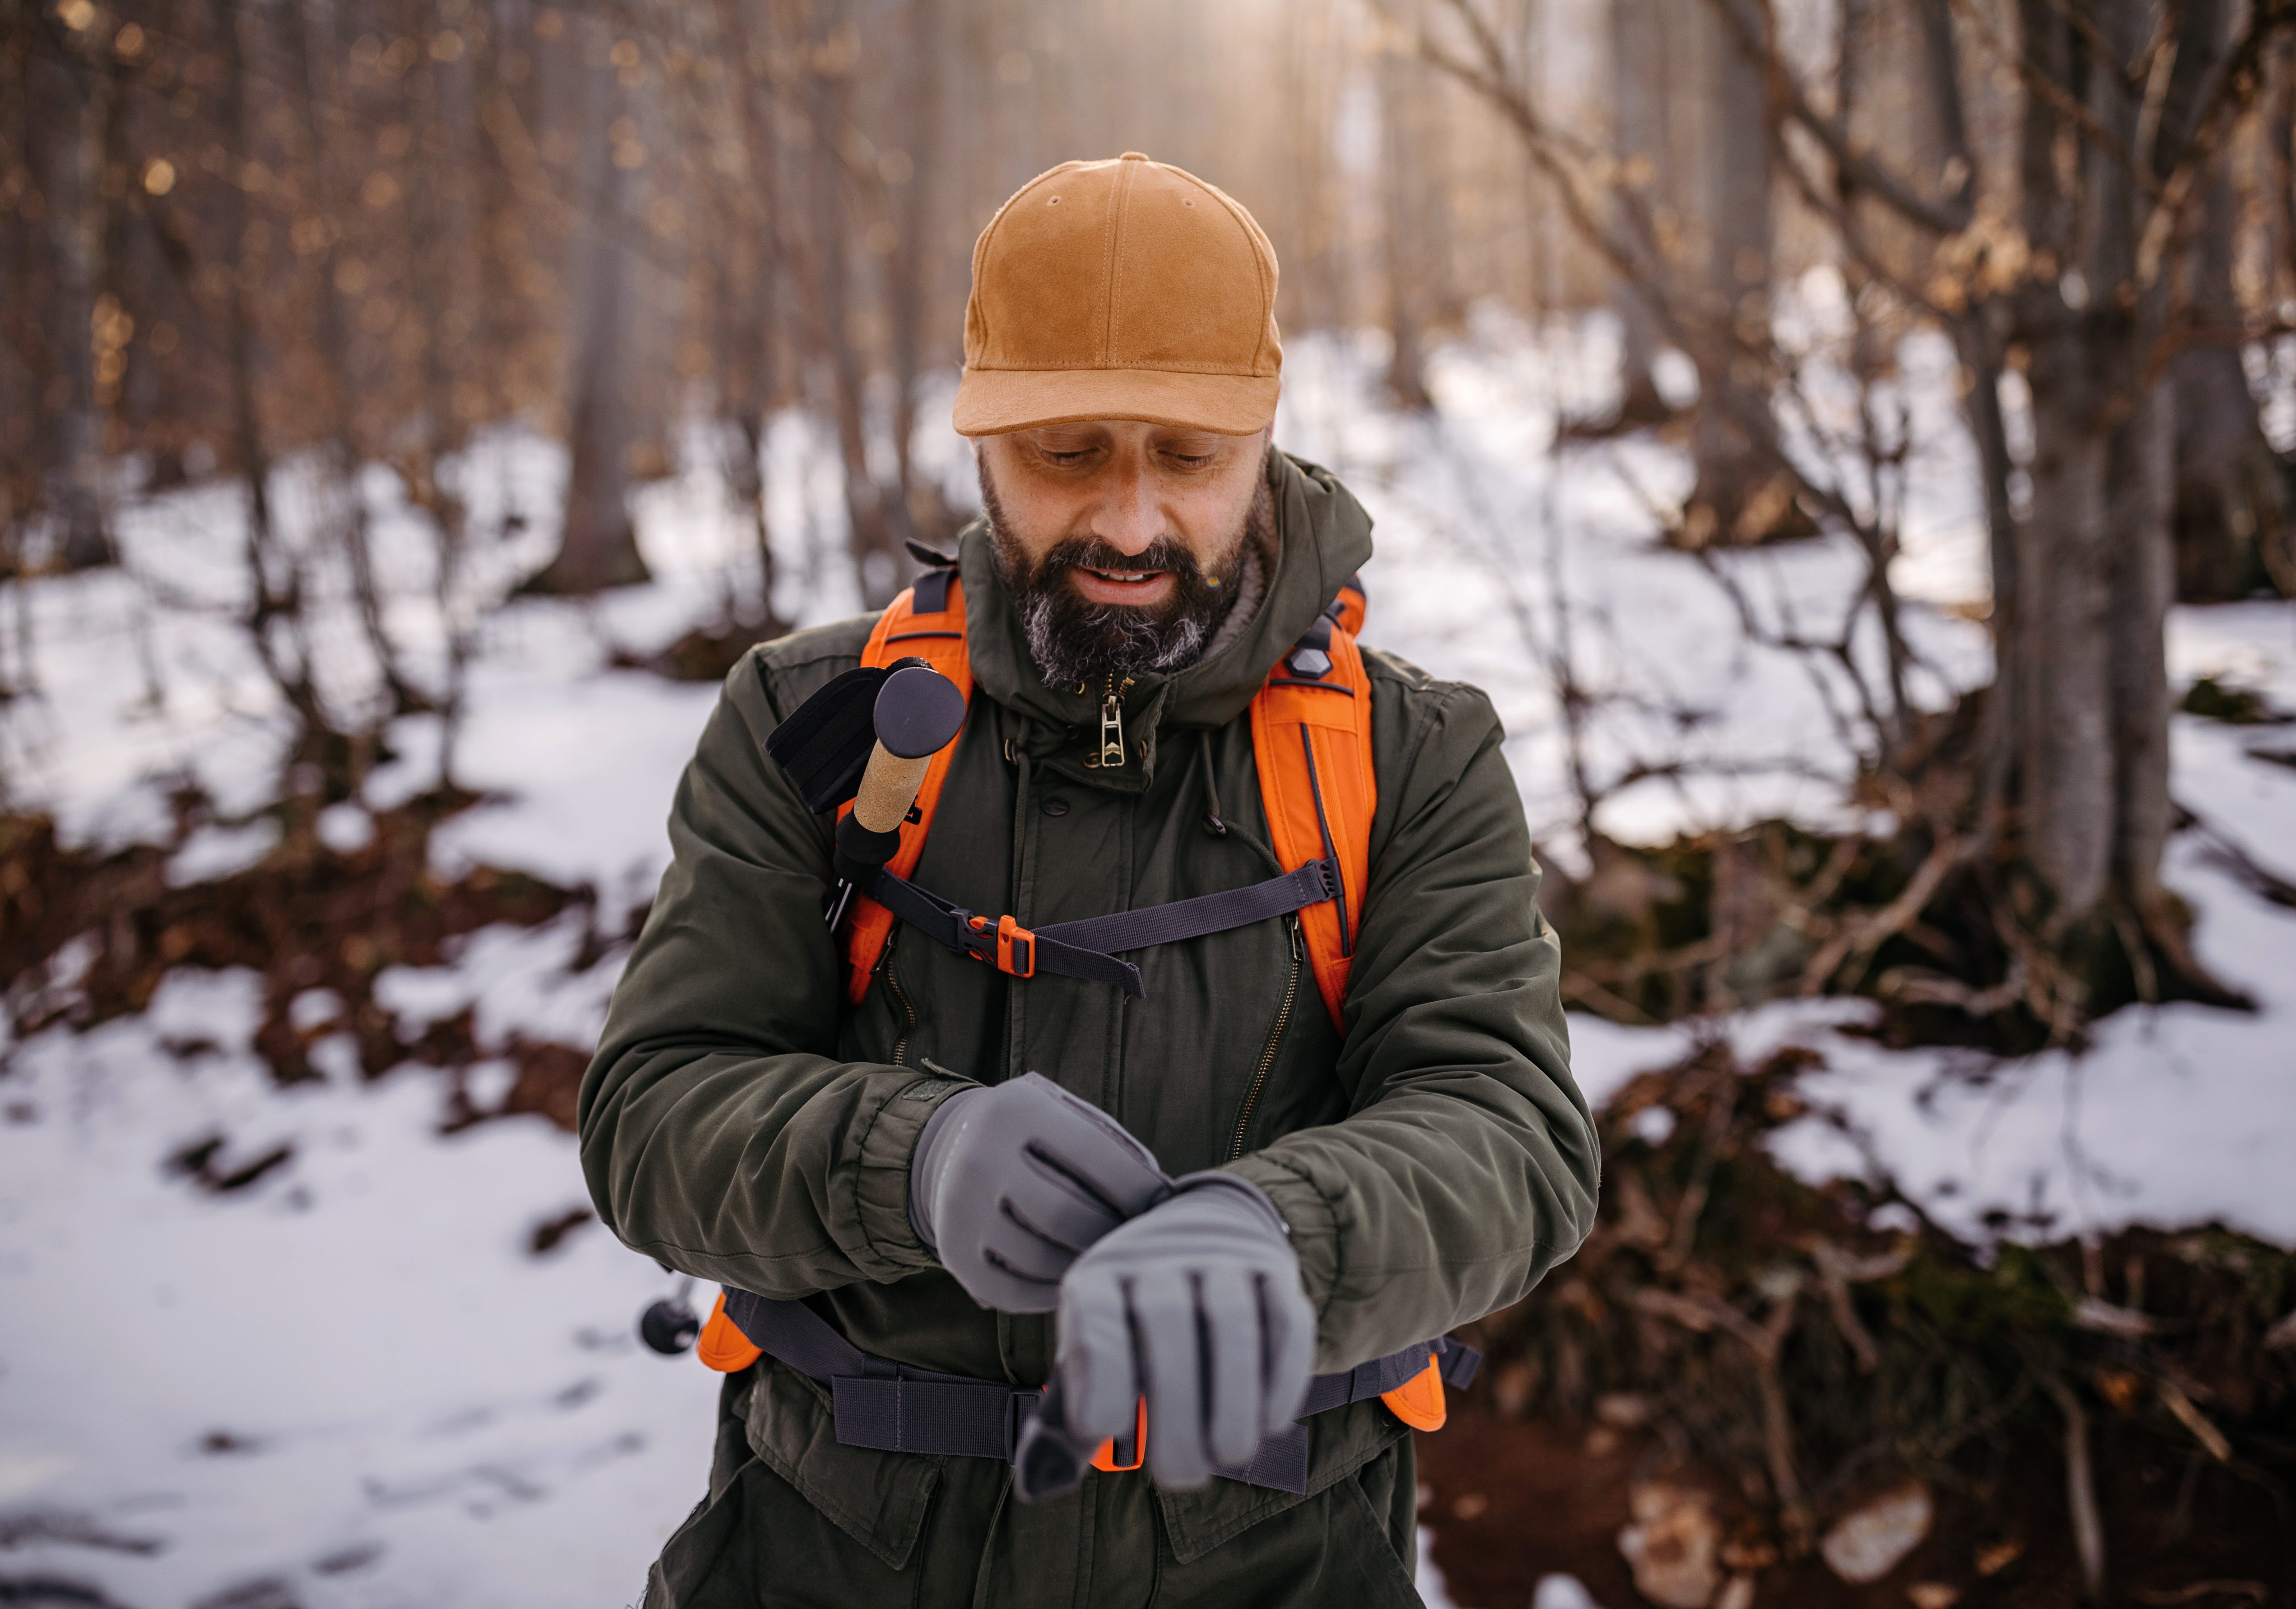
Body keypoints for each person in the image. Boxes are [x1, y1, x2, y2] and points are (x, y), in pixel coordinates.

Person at [581, 152, 1601, 1609]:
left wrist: (1286, 1234)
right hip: (827, 1554)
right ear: (981, 438)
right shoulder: (810, 720)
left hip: (1275, 1563)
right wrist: (906, 1162)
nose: (1128, 524)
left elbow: (1513, 1137)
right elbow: (650, 1111)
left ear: (1264, 438)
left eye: (1187, 457)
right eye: (1068, 453)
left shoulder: (1412, 754)